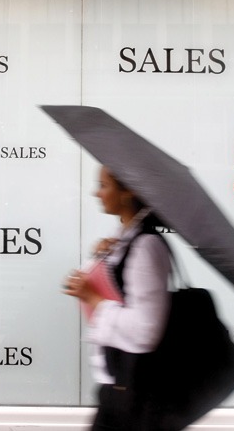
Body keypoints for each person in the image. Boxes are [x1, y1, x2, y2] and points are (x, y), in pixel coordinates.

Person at [63, 166, 173, 430]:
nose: (96, 192)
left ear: (127, 192)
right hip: (121, 388)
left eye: (103, 185)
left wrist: (93, 298)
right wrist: (99, 260)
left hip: (134, 395)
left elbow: (145, 330)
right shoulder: (125, 240)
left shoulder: (145, 247)